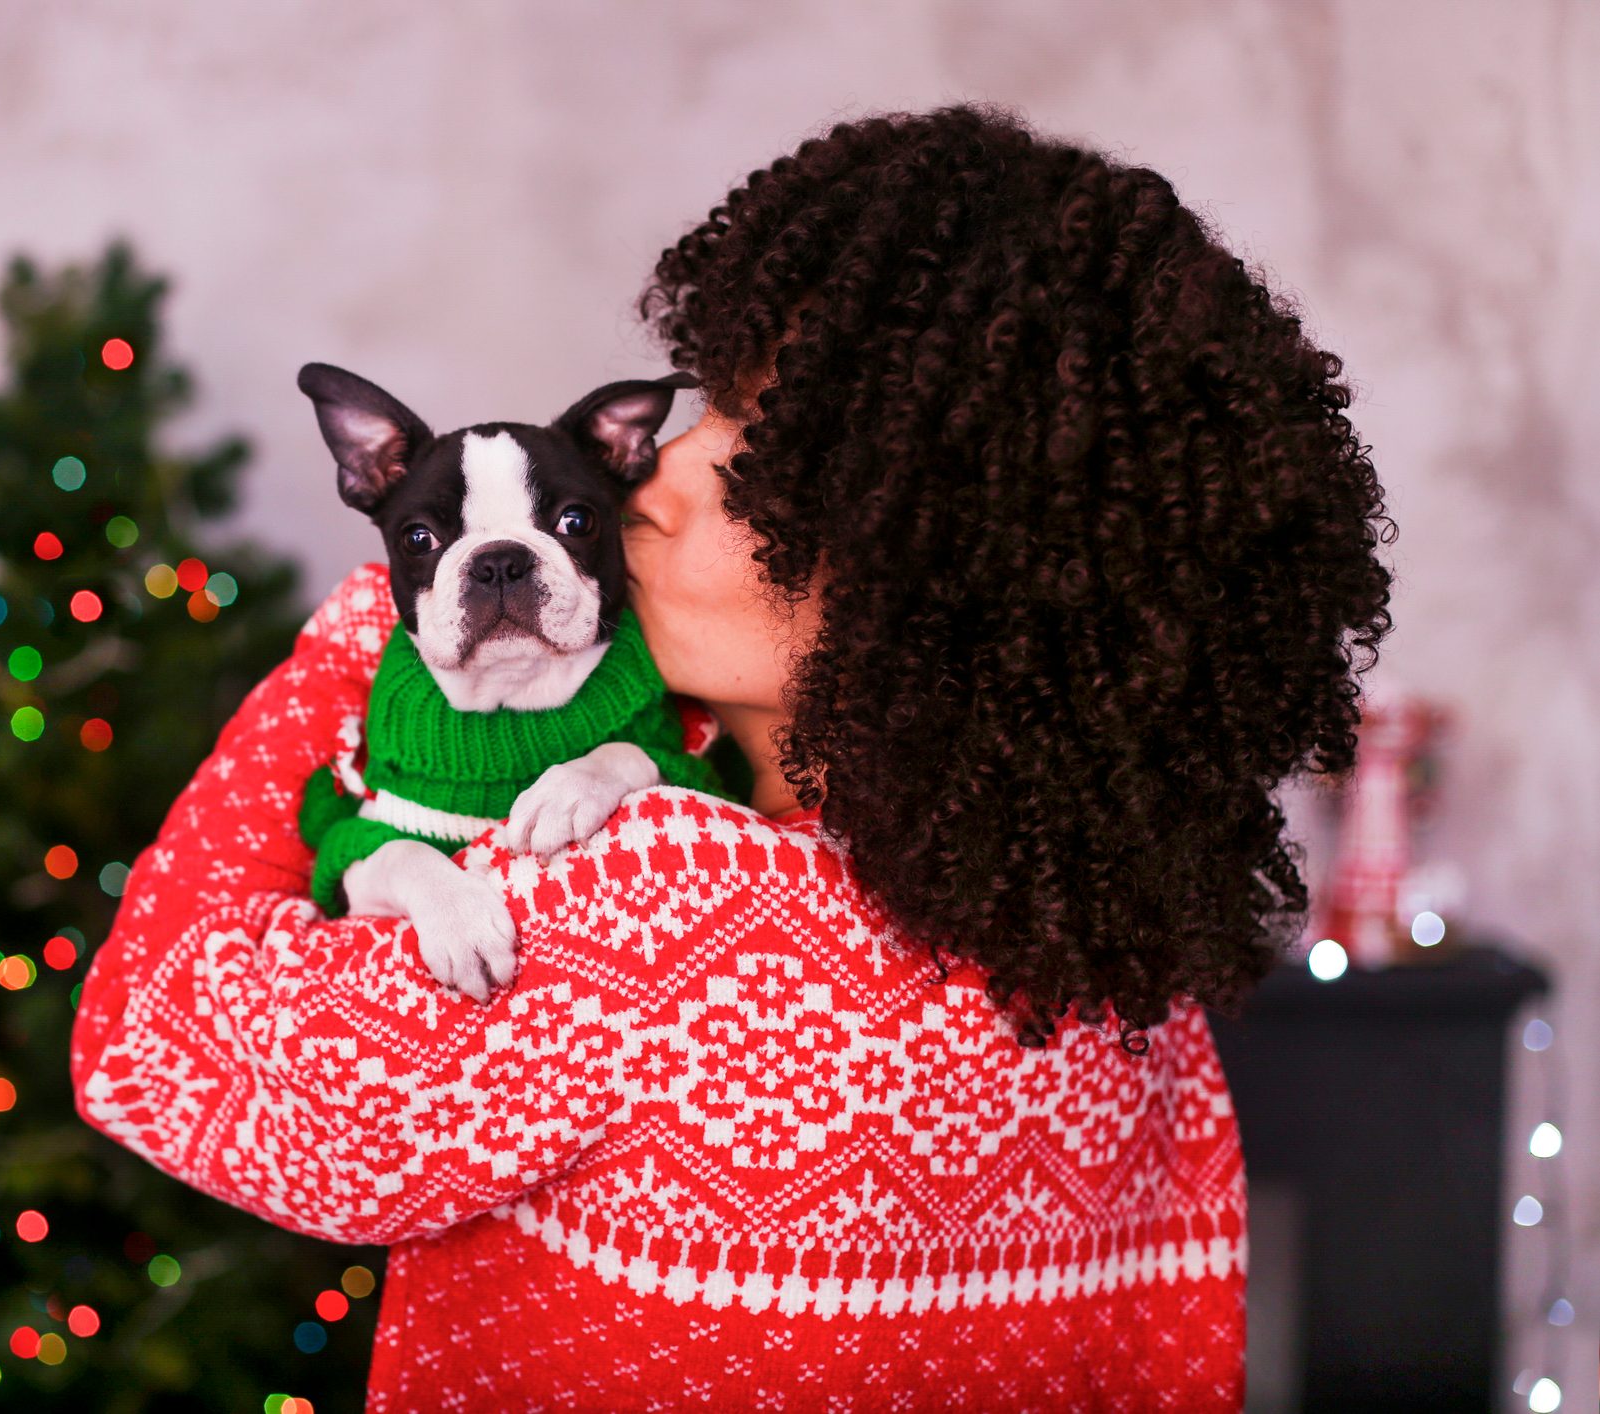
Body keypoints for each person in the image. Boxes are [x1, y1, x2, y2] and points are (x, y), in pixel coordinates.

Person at [71, 100, 1396, 1411]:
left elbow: (145, 1044)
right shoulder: (1131, 990)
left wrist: (369, 649)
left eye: (759, 447)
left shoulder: (642, 920)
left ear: (930, 560)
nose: (658, 475)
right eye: (703, 408)